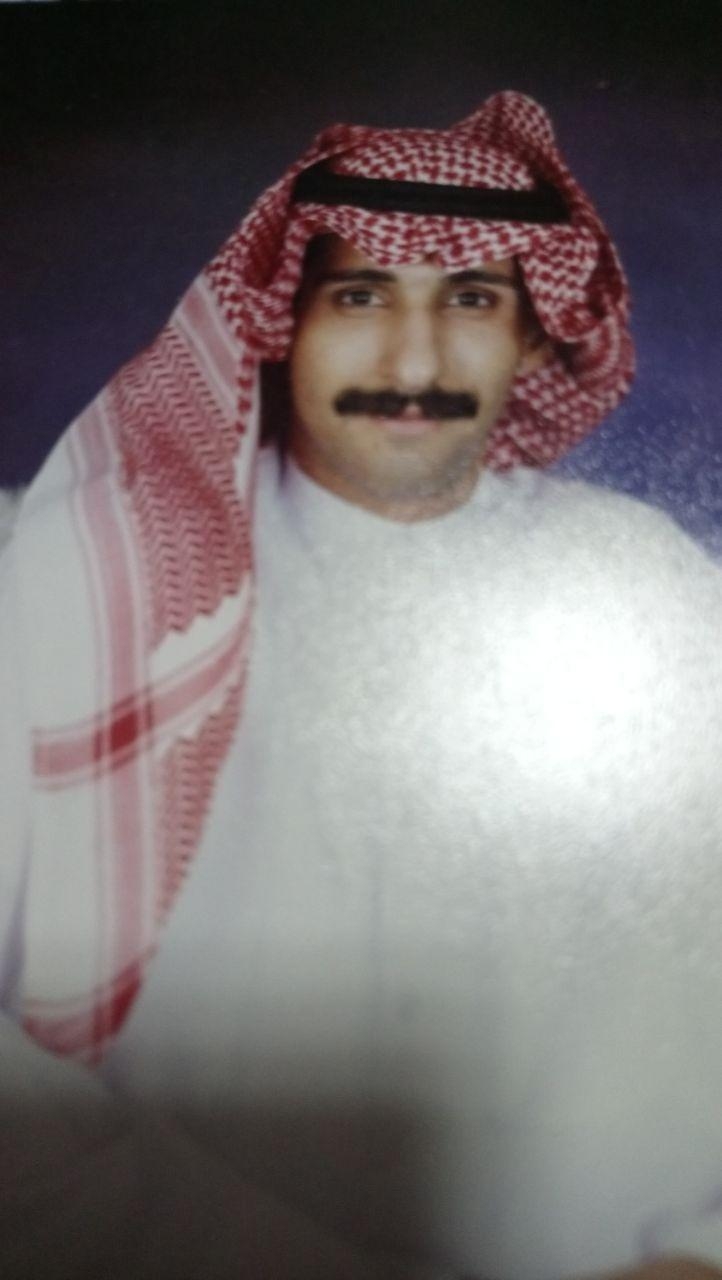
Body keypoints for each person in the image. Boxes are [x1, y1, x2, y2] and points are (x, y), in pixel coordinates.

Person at [2, 90, 722, 1280]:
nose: (413, 362)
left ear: (535, 334)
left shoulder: (648, 582)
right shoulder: (69, 575)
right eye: (359, 296)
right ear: (277, 318)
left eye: (471, 300)